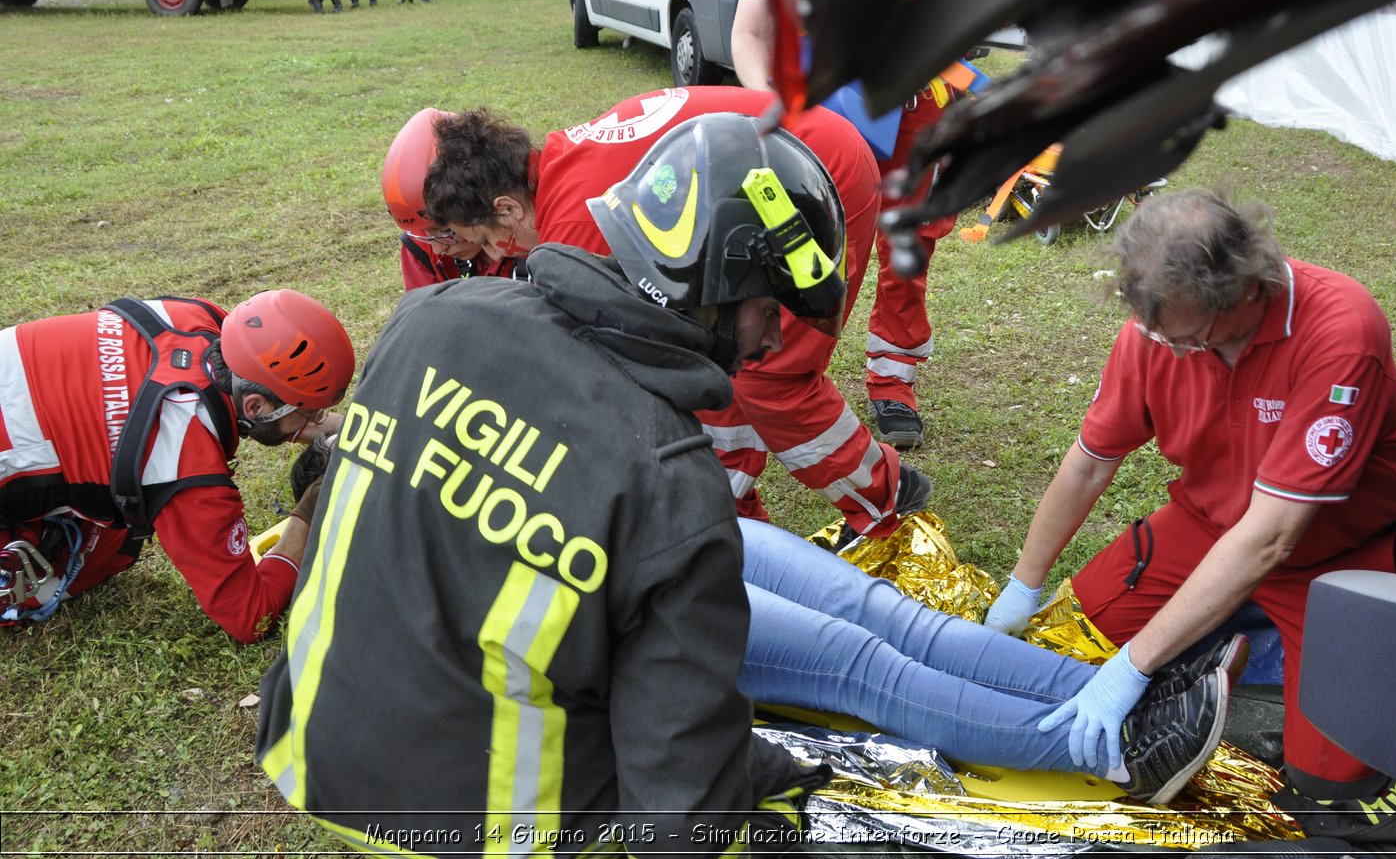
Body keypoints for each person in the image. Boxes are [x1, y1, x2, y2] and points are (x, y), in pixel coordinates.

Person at [256, 117, 856, 855]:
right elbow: (678, 825)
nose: (770, 340)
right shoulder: (672, 483)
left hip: (312, 751)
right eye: (770, 310)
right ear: (717, 288)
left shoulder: (425, 318)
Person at [983, 189, 1396, 803]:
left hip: (1337, 555)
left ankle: (1219, 640)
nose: (1178, 352)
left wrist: (1133, 668)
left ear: (1249, 287)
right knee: (1077, 635)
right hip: (1208, 524)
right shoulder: (1157, 334)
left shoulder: (1339, 329)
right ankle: (1211, 635)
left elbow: (1272, 536)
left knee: (1336, 783)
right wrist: (1024, 583)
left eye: (1195, 338)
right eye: (1164, 336)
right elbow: (1089, 465)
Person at [406, 88, 933, 540]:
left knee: (773, 380)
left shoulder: (576, 227)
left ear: (506, 208)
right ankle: (735, 518)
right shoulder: (560, 164)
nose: (497, 257)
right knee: (724, 353)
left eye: (488, 242)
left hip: (810, 174)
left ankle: (887, 499)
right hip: (789, 152)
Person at [738, 516, 1232, 805]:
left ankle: (1118, 695)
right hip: (662, 601)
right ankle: (1122, 753)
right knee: (860, 663)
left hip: (694, 529)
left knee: (892, 615)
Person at [0, 291, 353, 642]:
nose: (319, 420)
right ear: (256, 406)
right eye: (312, 413)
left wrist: (356, 427)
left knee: (112, 531)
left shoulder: (197, 317)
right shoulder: (182, 462)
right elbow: (250, 616)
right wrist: (311, 510)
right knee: (69, 565)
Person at [732, 0, 956, 450]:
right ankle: (783, 376)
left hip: (916, 106)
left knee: (909, 244)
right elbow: (749, 31)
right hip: (818, 112)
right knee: (801, 246)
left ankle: (893, 383)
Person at [382, 107, 522, 289]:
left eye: (444, 230)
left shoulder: (530, 231)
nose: (438, 249)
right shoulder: (421, 242)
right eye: (425, 235)